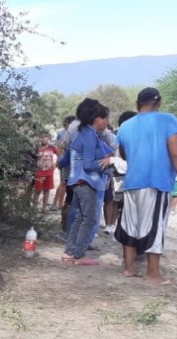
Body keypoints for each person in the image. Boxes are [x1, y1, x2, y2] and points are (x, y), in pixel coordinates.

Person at [115, 87, 177, 284]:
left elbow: (123, 153)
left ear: (137, 104)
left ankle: (129, 268)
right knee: (155, 226)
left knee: (130, 225)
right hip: (156, 182)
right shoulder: (167, 120)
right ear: (158, 102)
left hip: (132, 182)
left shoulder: (126, 125)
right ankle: (153, 273)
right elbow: (176, 153)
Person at [62, 100, 112, 265]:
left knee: (79, 218)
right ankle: (79, 255)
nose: (107, 122)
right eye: (106, 119)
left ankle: (70, 251)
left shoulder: (84, 133)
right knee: (89, 218)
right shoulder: (90, 136)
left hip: (77, 181)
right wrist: (107, 164)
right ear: (97, 119)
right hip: (85, 181)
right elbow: (89, 164)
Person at [52, 116, 75, 211]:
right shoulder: (62, 134)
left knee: (66, 185)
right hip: (65, 164)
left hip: (72, 165)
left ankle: (61, 204)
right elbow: (59, 149)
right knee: (63, 183)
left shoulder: (75, 133)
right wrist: (59, 161)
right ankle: (55, 203)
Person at [32, 134, 58, 210]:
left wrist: (56, 164)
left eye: (45, 138)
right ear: (40, 139)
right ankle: (33, 208)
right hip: (39, 173)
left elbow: (60, 154)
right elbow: (32, 159)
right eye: (42, 138)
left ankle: (44, 209)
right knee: (37, 190)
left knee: (47, 190)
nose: (44, 140)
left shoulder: (52, 147)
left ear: (48, 139)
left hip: (49, 173)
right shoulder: (37, 148)